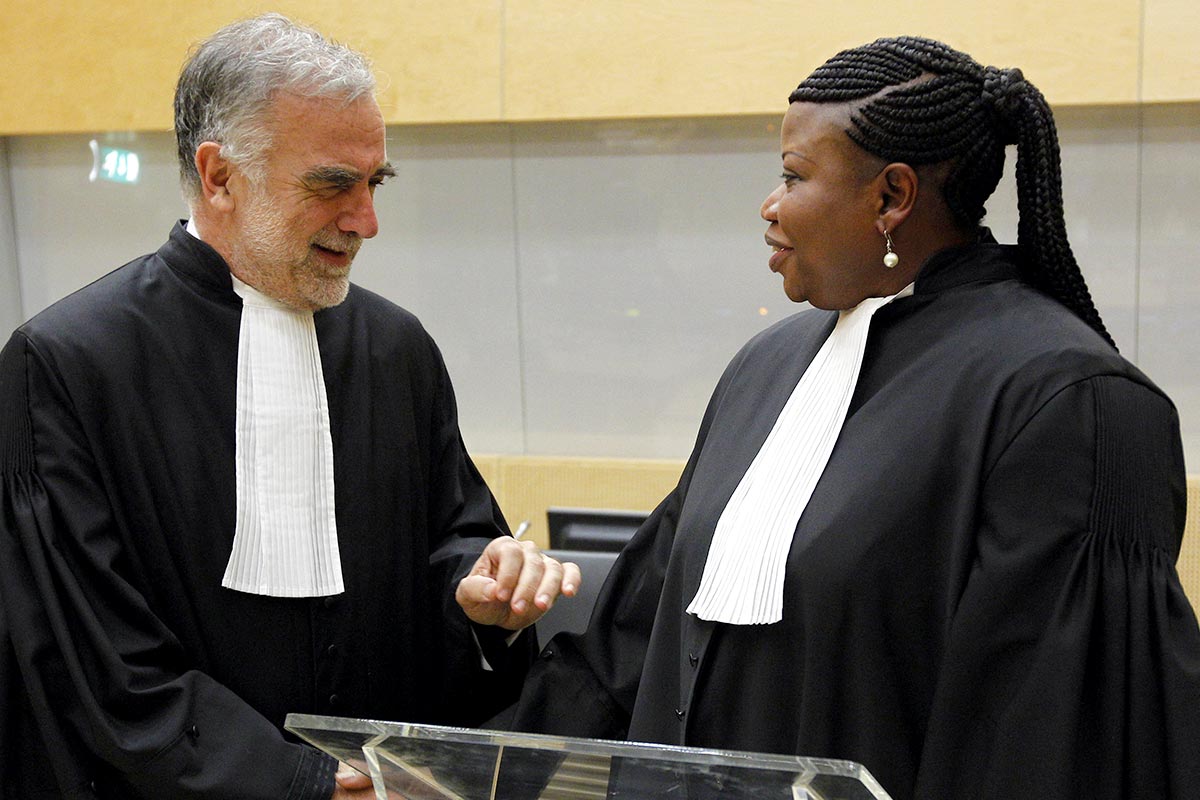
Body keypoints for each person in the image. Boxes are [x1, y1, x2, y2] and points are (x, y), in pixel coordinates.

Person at [504, 36, 1200, 800]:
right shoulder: (764, 369)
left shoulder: (1073, 401)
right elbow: (636, 636)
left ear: (892, 196)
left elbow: (1048, 741)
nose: (770, 205)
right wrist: (477, 763)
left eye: (793, 175)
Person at [0, 14, 577, 800]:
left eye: (375, 183)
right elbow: (86, 650)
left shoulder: (393, 347)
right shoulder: (67, 362)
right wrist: (291, 780)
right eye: (332, 183)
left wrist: (480, 602)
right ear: (220, 177)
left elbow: (447, 544)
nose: (366, 220)